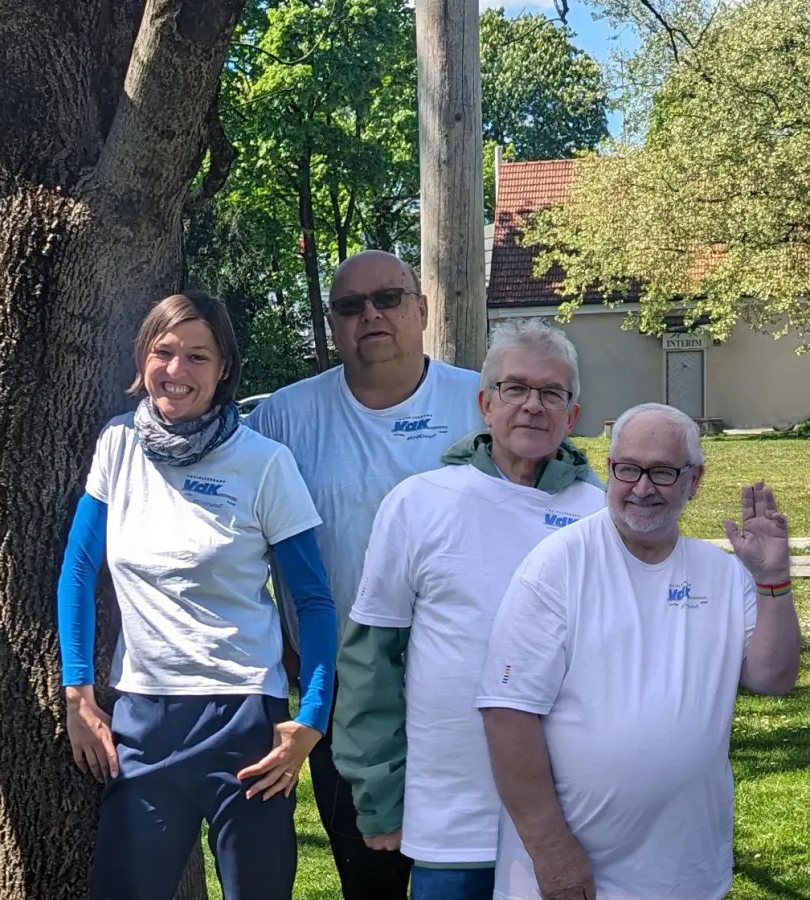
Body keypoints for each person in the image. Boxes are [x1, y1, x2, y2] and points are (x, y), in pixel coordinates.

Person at [57, 291, 337, 900]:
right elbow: (80, 568)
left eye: (198, 356)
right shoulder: (118, 445)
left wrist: (310, 718)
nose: (176, 371)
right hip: (143, 719)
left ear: (224, 369)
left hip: (245, 722)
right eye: (163, 352)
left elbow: (313, 601)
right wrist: (77, 694)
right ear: (143, 358)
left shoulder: (265, 463)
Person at [477, 403, 800, 900]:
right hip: (571, 877)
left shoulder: (720, 573)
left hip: (688, 873)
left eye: (663, 471)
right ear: (610, 470)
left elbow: (772, 678)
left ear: (694, 480)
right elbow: (507, 714)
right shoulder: (559, 565)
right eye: (628, 469)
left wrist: (772, 580)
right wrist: (552, 851)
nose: (643, 487)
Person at [333, 320, 605, 900]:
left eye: (552, 392)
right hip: (452, 822)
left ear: (572, 415)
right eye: (514, 389)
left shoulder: (598, 517)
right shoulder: (419, 503)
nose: (533, 405)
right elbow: (369, 662)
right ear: (486, 403)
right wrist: (379, 794)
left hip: (575, 819)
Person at [245, 249, 484, 898]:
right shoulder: (284, 419)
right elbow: (232, 540)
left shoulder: (486, 403)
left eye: (389, 298)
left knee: (464, 880)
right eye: (351, 306)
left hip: (471, 697)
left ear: (423, 309)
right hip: (346, 700)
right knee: (370, 883)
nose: (371, 315)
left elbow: (563, 520)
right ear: (333, 322)